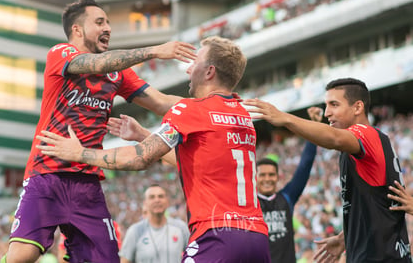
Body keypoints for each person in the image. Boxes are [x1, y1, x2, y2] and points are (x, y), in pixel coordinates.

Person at [36, 35, 271, 262]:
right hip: (257, 237)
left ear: (209, 72)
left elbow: (140, 159)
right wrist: (143, 135)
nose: (189, 69)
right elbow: (195, 163)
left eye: (195, 63)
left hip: (217, 235)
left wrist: (79, 153)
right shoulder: (241, 114)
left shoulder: (192, 110)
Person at [1, 0, 196, 263]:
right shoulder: (61, 53)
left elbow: (162, 102)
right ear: (77, 30)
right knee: (20, 257)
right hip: (47, 172)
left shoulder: (119, 75)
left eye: (108, 22)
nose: (108, 28)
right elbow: (97, 64)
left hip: (88, 182)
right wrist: (153, 50)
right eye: (100, 22)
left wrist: (213, 103)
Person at [243, 78, 411, 262]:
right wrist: (345, 237)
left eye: (334, 104)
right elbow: (376, 205)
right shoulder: (357, 149)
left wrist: (285, 118)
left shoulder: (367, 135)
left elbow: (334, 139)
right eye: (326, 105)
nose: (328, 112)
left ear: (357, 107)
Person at [257, 107, 320, 263]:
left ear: (278, 177)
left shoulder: (287, 197)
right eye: (262, 175)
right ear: (255, 178)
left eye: (271, 175)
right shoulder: (249, 204)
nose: (267, 179)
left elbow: (304, 166)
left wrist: (313, 125)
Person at [119, 184, 189, 263]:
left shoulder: (181, 227)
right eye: (152, 197)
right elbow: (124, 261)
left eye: (161, 196)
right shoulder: (135, 231)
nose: (157, 200)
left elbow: (193, 255)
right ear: (145, 203)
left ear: (167, 201)